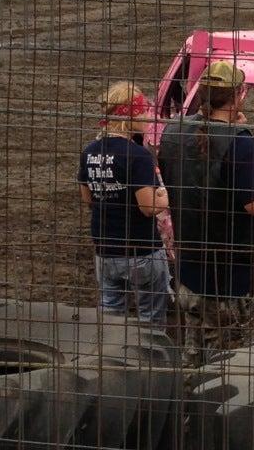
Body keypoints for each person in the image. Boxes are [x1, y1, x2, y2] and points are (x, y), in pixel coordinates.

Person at [157, 60, 254, 366]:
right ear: (238, 95)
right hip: (232, 277)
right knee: (232, 364)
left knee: (193, 353)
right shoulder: (238, 143)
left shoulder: (173, 131)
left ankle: (187, 408)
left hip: (190, 267)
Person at [78, 82, 171, 328]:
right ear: (128, 117)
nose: (149, 117)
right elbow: (149, 207)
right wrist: (168, 196)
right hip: (140, 250)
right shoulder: (137, 155)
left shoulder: (90, 152)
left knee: (110, 322)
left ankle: (111, 363)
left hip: (106, 249)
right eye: (143, 112)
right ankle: (149, 362)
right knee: (150, 323)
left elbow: (88, 198)